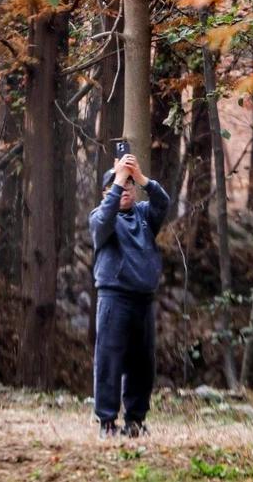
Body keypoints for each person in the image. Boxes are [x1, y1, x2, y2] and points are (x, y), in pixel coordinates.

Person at [89, 152, 171, 439]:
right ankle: (107, 422)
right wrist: (118, 179)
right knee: (109, 361)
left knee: (142, 365)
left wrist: (141, 178)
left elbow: (163, 202)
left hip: (143, 299)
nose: (124, 191)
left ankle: (135, 420)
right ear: (106, 192)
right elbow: (103, 221)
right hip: (114, 298)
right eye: (117, 187)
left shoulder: (145, 214)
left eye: (128, 187)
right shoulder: (101, 218)